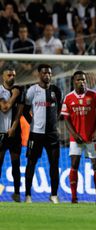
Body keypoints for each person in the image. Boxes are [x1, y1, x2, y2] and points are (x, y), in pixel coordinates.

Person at [61, 71, 96, 204]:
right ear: (73, 81)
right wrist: (74, 135)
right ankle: (74, 198)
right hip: (76, 139)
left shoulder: (94, 95)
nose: (82, 82)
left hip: (92, 138)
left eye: (84, 80)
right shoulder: (68, 98)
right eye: (79, 80)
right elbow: (66, 119)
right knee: (74, 165)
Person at [23, 64, 62, 204]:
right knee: (31, 163)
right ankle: (28, 195)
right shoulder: (32, 91)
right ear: (39, 74)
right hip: (36, 134)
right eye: (45, 73)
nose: (47, 75)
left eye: (50, 73)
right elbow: (25, 110)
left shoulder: (56, 91)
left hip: (52, 135)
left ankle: (54, 195)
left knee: (54, 164)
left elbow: (59, 110)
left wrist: (52, 124)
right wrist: (32, 122)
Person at [0, 65, 23, 202]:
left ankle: (16, 193)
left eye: (14, 75)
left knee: (16, 164)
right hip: (1, 132)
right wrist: (14, 95)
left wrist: (14, 127)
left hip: (14, 133)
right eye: (9, 75)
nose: (12, 77)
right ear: (3, 76)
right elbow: (4, 108)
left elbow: (20, 111)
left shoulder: (20, 90)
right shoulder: (3, 91)